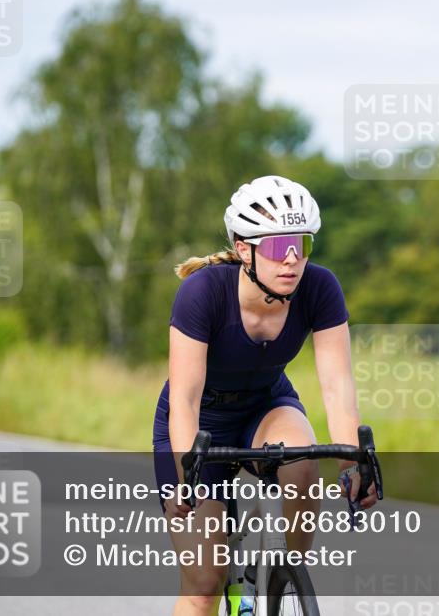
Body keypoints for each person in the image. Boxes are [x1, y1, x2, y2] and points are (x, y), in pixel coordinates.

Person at [151, 175, 378, 616]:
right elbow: (185, 398)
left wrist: (353, 462)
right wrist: (186, 473)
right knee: (203, 584)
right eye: (278, 247)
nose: (292, 259)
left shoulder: (320, 287)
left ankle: (286, 582)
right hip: (200, 424)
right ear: (243, 248)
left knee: (303, 461)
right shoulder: (203, 292)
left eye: (303, 245)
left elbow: (337, 386)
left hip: (266, 404)